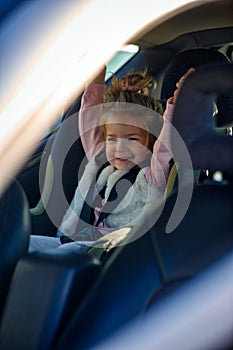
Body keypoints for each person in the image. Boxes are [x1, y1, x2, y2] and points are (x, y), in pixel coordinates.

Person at [29, 66, 194, 253]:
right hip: (73, 241)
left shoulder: (151, 176)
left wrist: (179, 103)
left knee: (60, 256)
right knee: (23, 243)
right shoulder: (100, 161)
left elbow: (167, 140)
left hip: (107, 255)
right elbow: (89, 117)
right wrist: (96, 80)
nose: (119, 147)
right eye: (112, 139)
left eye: (132, 139)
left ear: (151, 142)